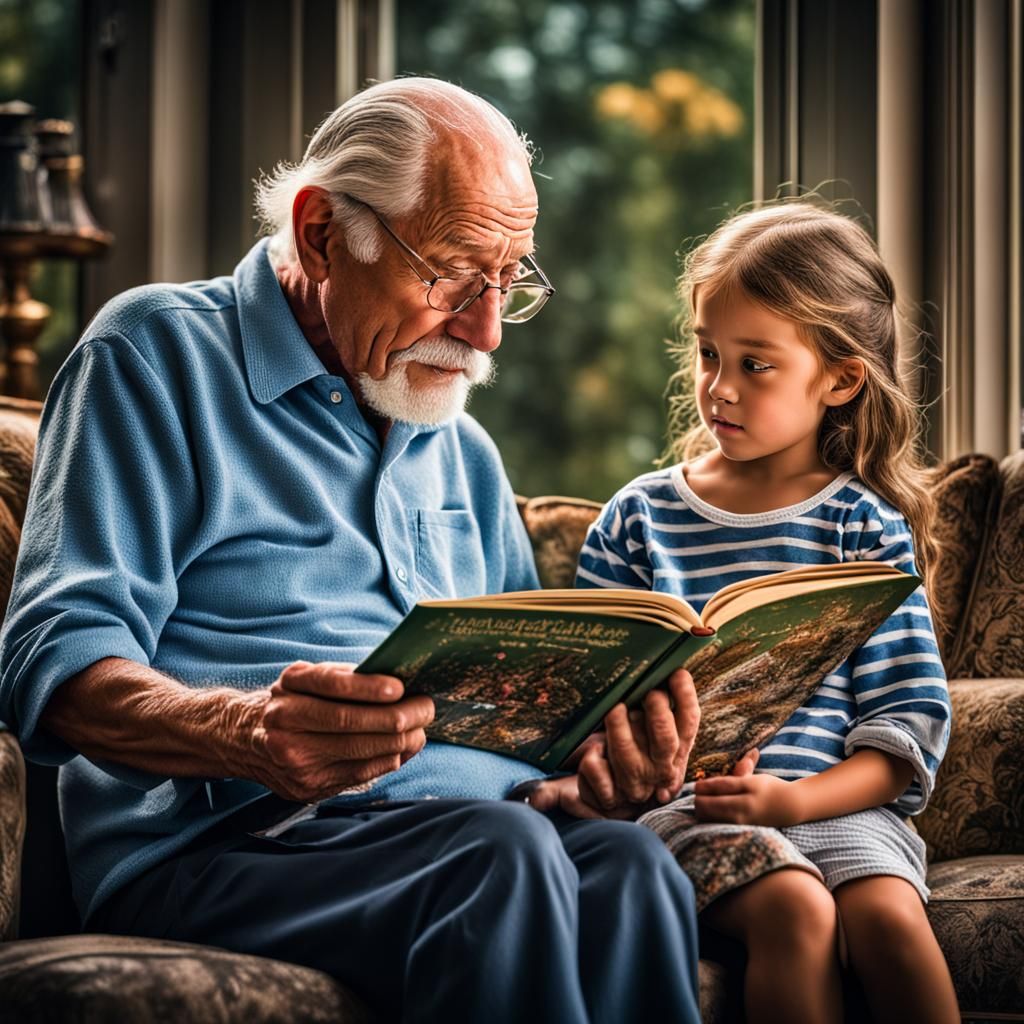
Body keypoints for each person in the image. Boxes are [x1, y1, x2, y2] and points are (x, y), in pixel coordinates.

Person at [0, 78, 703, 1024]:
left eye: (509, 282)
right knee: (498, 857)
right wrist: (247, 732)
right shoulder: (154, 356)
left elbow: (525, 735)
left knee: (630, 865)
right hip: (221, 847)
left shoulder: (463, 449)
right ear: (322, 231)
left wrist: (597, 776)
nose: (485, 331)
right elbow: (54, 661)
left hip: (463, 837)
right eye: (452, 274)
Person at [575, 202, 959, 1024]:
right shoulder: (637, 519)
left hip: (838, 807)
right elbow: (589, 712)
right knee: (796, 910)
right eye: (710, 354)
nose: (719, 387)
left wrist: (794, 803)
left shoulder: (862, 525)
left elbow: (904, 733)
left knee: (890, 921)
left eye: (757, 365)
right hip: (690, 812)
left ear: (841, 378)